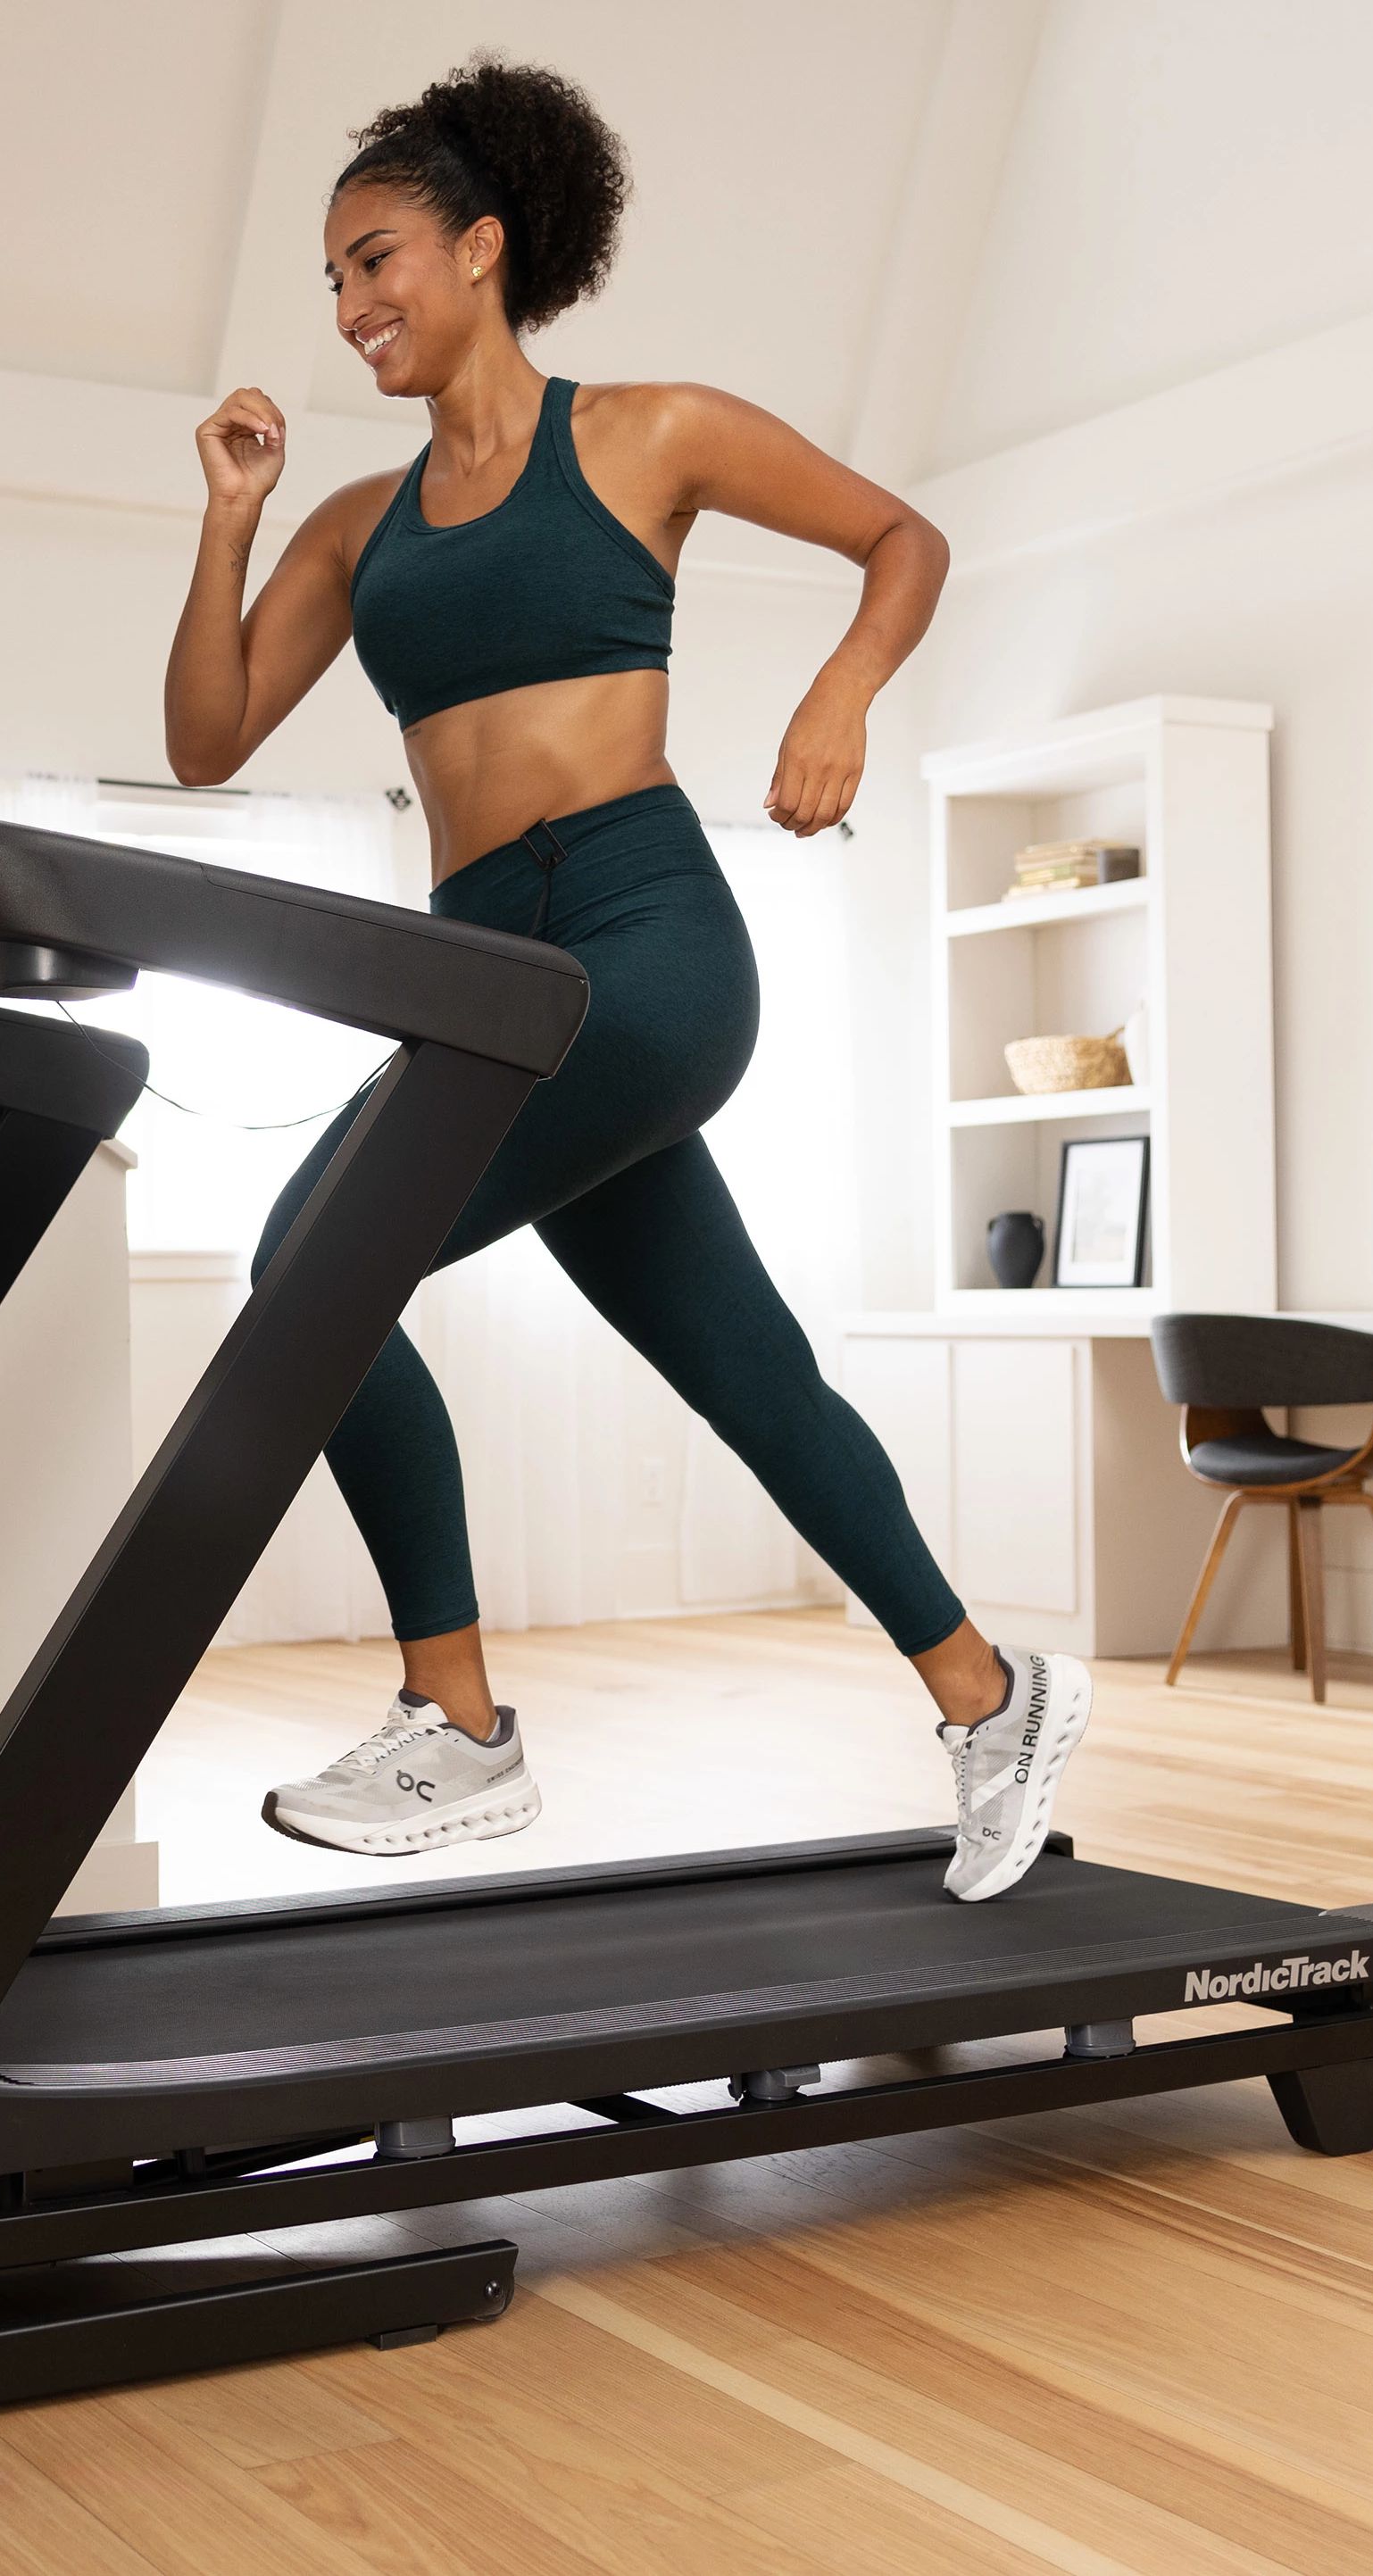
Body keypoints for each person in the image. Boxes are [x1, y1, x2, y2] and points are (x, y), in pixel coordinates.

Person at [162, 56, 1090, 1900]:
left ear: (483, 246)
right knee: (741, 1371)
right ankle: (992, 1695)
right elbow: (202, 739)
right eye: (331, 284)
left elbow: (904, 538)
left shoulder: (648, 434)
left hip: (644, 937)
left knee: (311, 1267)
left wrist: (838, 697)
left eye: (378, 262)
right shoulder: (357, 525)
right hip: (483, 968)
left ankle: (462, 1727)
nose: (352, 311)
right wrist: (230, 518)